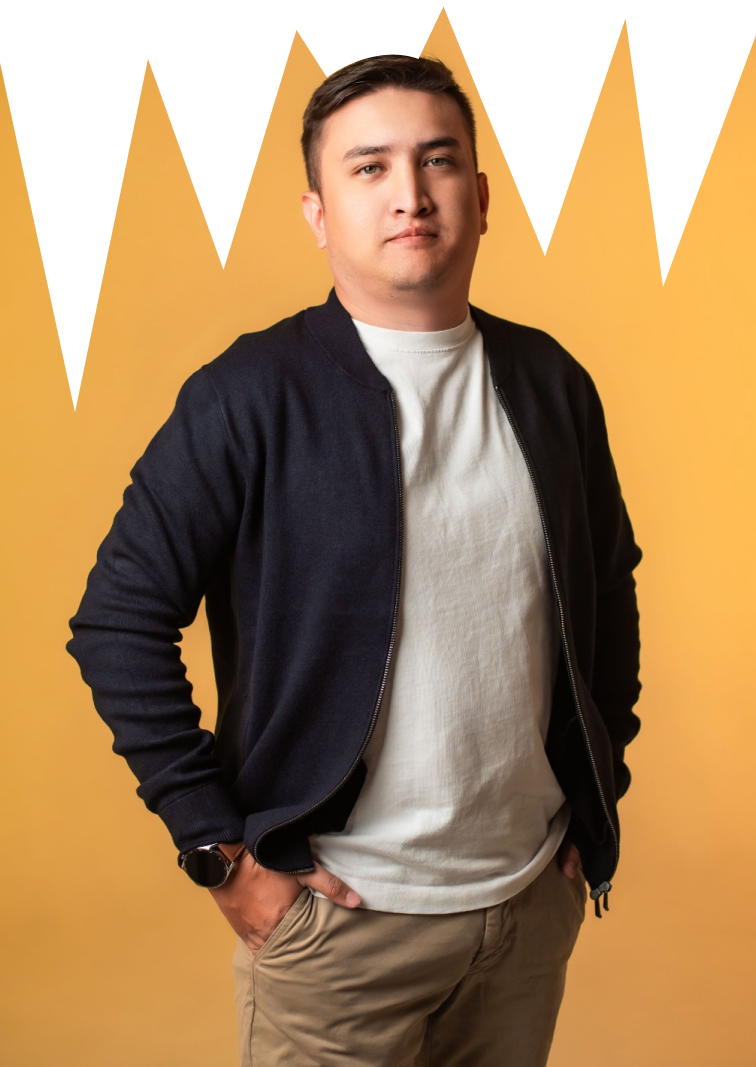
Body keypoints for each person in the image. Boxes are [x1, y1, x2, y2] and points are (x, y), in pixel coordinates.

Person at [67, 53, 642, 1067]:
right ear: (319, 212)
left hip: (525, 910)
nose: (410, 194)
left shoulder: (552, 382)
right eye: (369, 167)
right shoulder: (249, 394)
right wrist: (218, 850)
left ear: (481, 196)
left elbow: (606, 595)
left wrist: (597, 802)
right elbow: (118, 618)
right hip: (337, 927)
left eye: (438, 160)